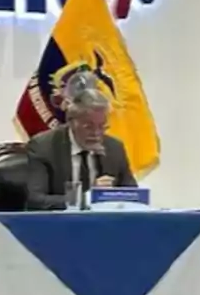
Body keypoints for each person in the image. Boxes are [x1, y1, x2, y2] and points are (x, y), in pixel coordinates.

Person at [25, 77, 136, 210]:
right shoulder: (43, 147)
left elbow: (133, 197)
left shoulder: (114, 148)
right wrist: (86, 198)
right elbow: (36, 200)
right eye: (88, 126)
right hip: (60, 226)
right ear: (71, 122)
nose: (96, 133)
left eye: (102, 127)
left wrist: (112, 195)